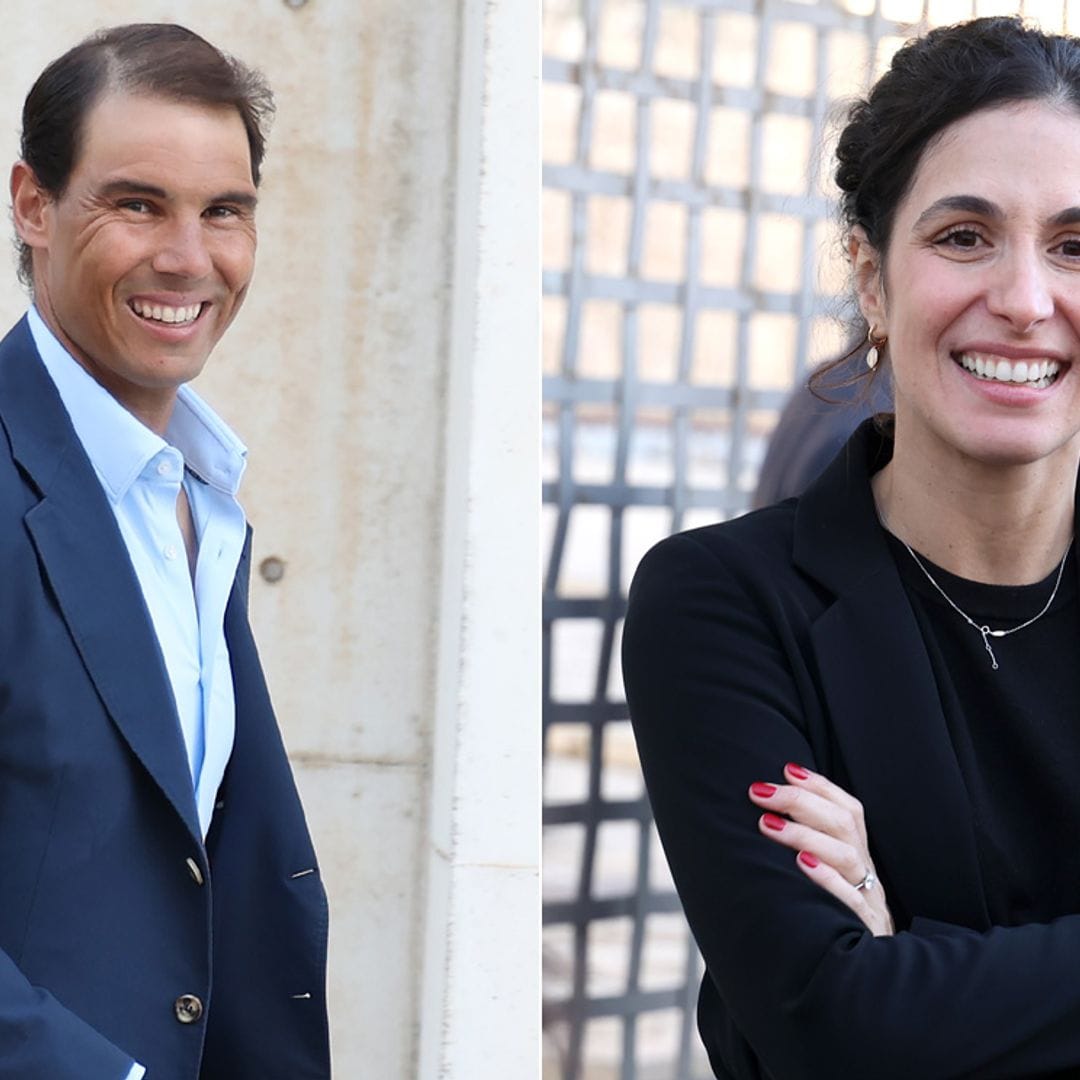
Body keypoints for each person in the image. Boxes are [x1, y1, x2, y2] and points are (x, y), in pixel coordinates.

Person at [623, 16, 1080, 1079]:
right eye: (963, 236)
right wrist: (865, 1004)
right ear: (871, 280)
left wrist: (911, 967)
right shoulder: (720, 603)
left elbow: (882, 1015)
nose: (1023, 300)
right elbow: (832, 1028)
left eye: (1075, 245)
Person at [0, 24, 329, 1080]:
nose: (191, 258)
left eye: (224, 212)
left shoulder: (196, 494)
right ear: (34, 205)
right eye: (138, 203)